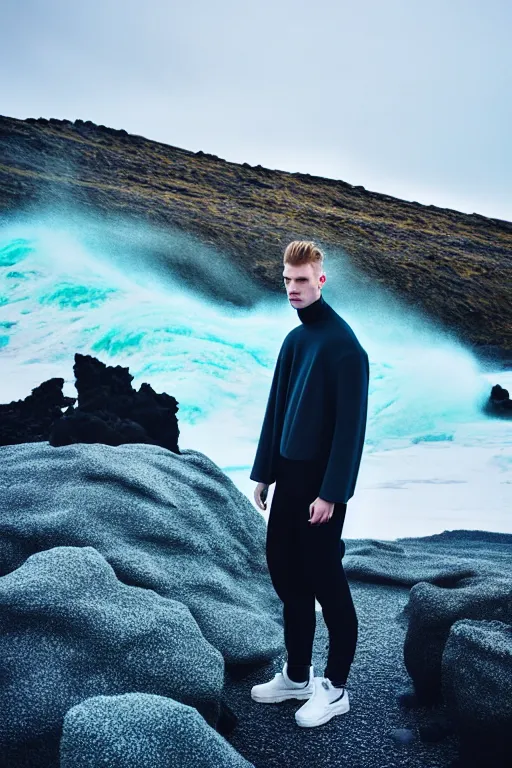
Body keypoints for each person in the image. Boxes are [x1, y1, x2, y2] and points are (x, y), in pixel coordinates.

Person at [249, 240, 369, 728]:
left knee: (326, 582)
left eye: (302, 280)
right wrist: (263, 471)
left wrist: (332, 493)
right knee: (285, 571)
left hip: (321, 487)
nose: (293, 288)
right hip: (288, 479)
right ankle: (297, 675)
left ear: (321, 280)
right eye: (287, 280)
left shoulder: (345, 347)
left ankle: (335, 688)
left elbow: (350, 430)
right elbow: (276, 407)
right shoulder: (295, 341)